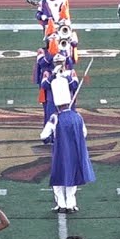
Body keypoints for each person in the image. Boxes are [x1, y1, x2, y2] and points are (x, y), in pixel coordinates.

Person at [40, 76, 95, 213]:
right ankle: (71, 204)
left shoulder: (55, 117)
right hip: (76, 151)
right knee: (72, 178)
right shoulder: (78, 116)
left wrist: (52, 138)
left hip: (60, 152)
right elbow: (84, 133)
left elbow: (43, 136)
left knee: (58, 178)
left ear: (57, 104)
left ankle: (61, 205)